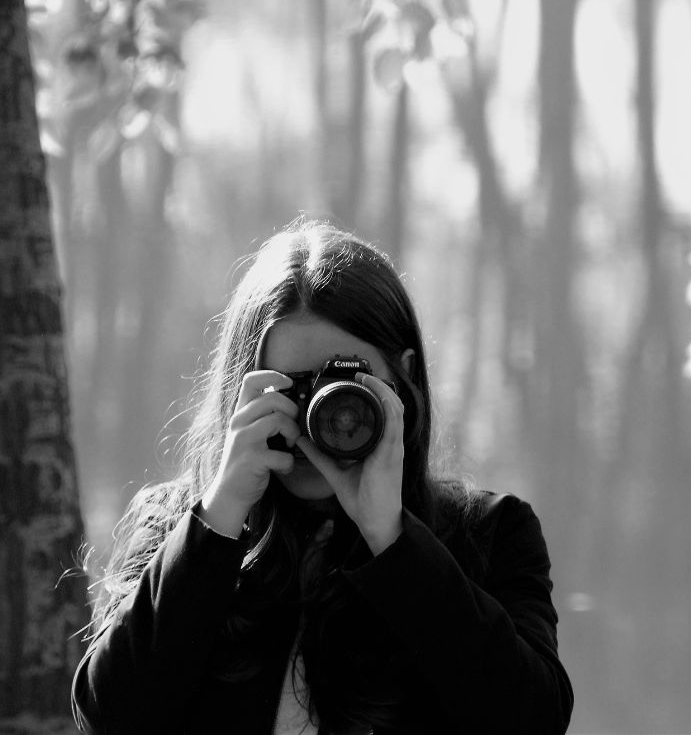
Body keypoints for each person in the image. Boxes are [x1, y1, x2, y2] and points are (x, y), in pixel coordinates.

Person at [72, 218, 574, 734]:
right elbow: (109, 719)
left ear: (402, 379)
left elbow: (532, 721)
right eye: (290, 390)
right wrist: (219, 518)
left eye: (343, 388)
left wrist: (394, 540)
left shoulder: (488, 534)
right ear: (241, 390)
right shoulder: (177, 527)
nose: (318, 420)